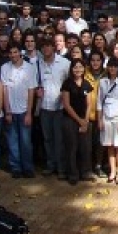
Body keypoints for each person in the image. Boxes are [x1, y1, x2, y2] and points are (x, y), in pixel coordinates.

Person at [0, 43, 37, 179]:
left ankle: (27, 168)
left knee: (26, 142)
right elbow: (4, 90)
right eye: (11, 53)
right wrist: (7, 111)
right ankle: (15, 167)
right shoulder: (5, 68)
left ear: (20, 53)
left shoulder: (30, 68)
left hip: (24, 111)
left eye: (15, 52)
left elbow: (31, 90)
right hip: (11, 111)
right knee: (12, 141)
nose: (13, 55)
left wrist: (29, 113)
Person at [36, 37, 71, 178]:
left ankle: (61, 168)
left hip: (60, 108)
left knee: (59, 139)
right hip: (44, 107)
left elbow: (70, 82)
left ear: (54, 47)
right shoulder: (38, 64)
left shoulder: (64, 63)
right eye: (43, 47)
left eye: (48, 46)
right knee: (47, 138)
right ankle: (51, 165)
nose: (46, 49)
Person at [60, 58, 94, 185]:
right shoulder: (67, 84)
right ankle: (72, 174)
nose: (78, 69)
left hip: (84, 120)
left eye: (80, 67)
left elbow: (89, 104)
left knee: (85, 147)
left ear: (84, 68)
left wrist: (85, 121)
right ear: (71, 69)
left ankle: (85, 172)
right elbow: (67, 105)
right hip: (70, 119)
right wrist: (79, 120)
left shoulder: (87, 84)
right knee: (71, 147)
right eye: (75, 67)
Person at [98, 57, 118, 183]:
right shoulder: (102, 82)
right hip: (106, 117)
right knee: (109, 146)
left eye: (115, 66)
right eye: (110, 66)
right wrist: (100, 120)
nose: (112, 69)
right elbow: (99, 102)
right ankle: (112, 170)